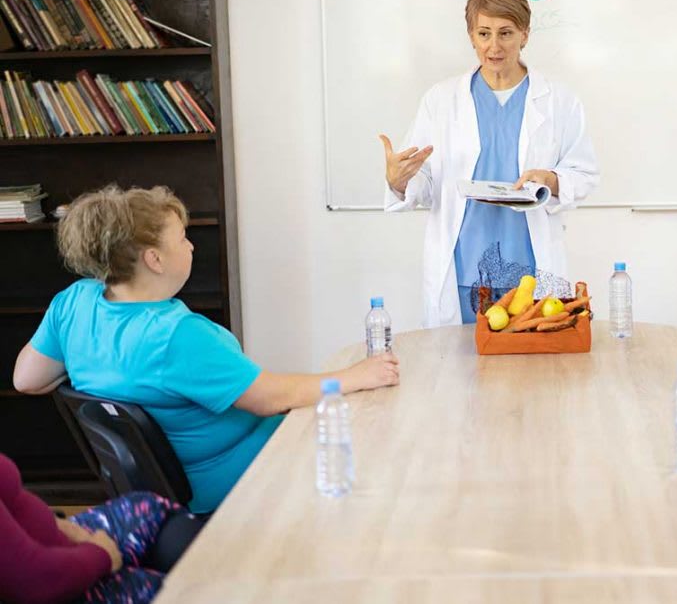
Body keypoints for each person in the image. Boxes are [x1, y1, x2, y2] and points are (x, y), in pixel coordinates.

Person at [13, 185, 399, 515]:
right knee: (376, 439)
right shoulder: (175, 335)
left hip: (160, 491)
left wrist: (97, 364)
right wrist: (357, 375)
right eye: (182, 238)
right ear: (154, 258)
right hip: (239, 482)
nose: (192, 245)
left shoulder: (75, 303)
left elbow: (27, 379)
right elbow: (271, 398)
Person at [381, 0, 599, 326]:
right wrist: (398, 181)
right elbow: (422, 180)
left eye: (506, 33)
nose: (493, 46)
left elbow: (584, 174)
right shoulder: (440, 101)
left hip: (530, 269)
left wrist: (551, 180)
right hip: (463, 268)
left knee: (532, 371)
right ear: (471, 35)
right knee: (460, 371)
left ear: (525, 35)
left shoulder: (559, 101)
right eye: (484, 33)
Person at [0, 452, 202, 603]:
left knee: (146, 506)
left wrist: (62, 527)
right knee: (186, 595)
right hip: (52, 585)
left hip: (55, 547)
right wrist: (101, 555)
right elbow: (36, 581)